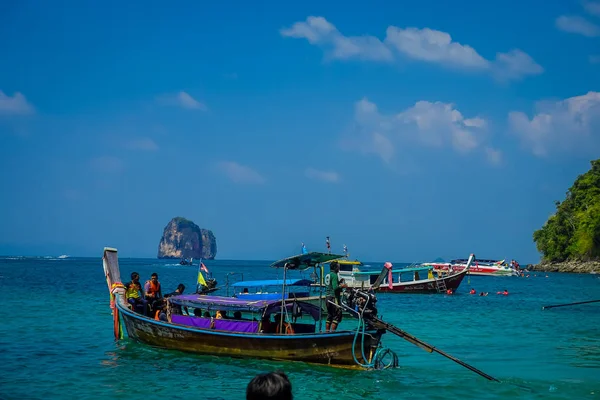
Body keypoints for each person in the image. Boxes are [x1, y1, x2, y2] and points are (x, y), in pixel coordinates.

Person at [325, 261, 347, 332]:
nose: (339, 268)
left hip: (327, 297)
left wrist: (339, 282)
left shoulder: (328, 275)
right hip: (333, 298)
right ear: (335, 267)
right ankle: (332, 333)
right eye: (338, 267)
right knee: (337, 315)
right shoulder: (334, 275)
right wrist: (342, 286)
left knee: (329, 315)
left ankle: (327, 332)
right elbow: (335, 288)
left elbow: (330, 285)